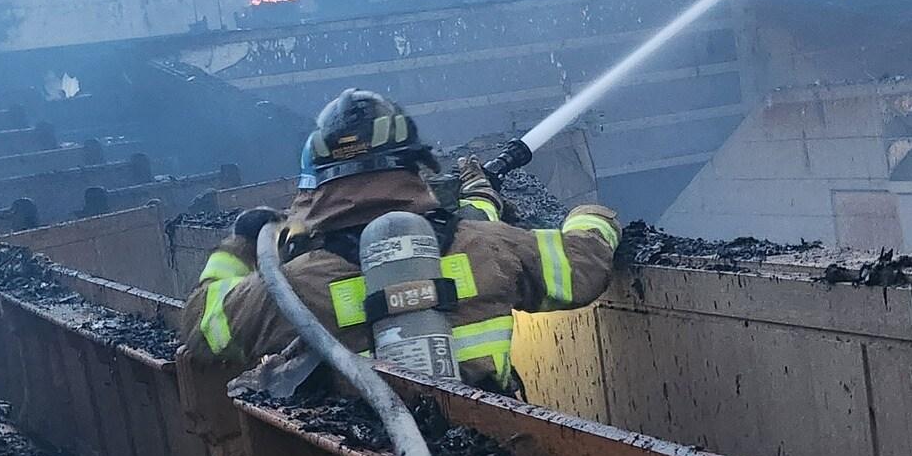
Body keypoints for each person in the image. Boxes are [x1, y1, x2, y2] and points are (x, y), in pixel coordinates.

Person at [180, 89, 621, 398]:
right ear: (413, 166)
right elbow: (582, 267)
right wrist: (593, 216)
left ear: (320, 182)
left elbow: (204, 327)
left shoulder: (295, 285)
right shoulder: (485, 246)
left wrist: (239, 246)